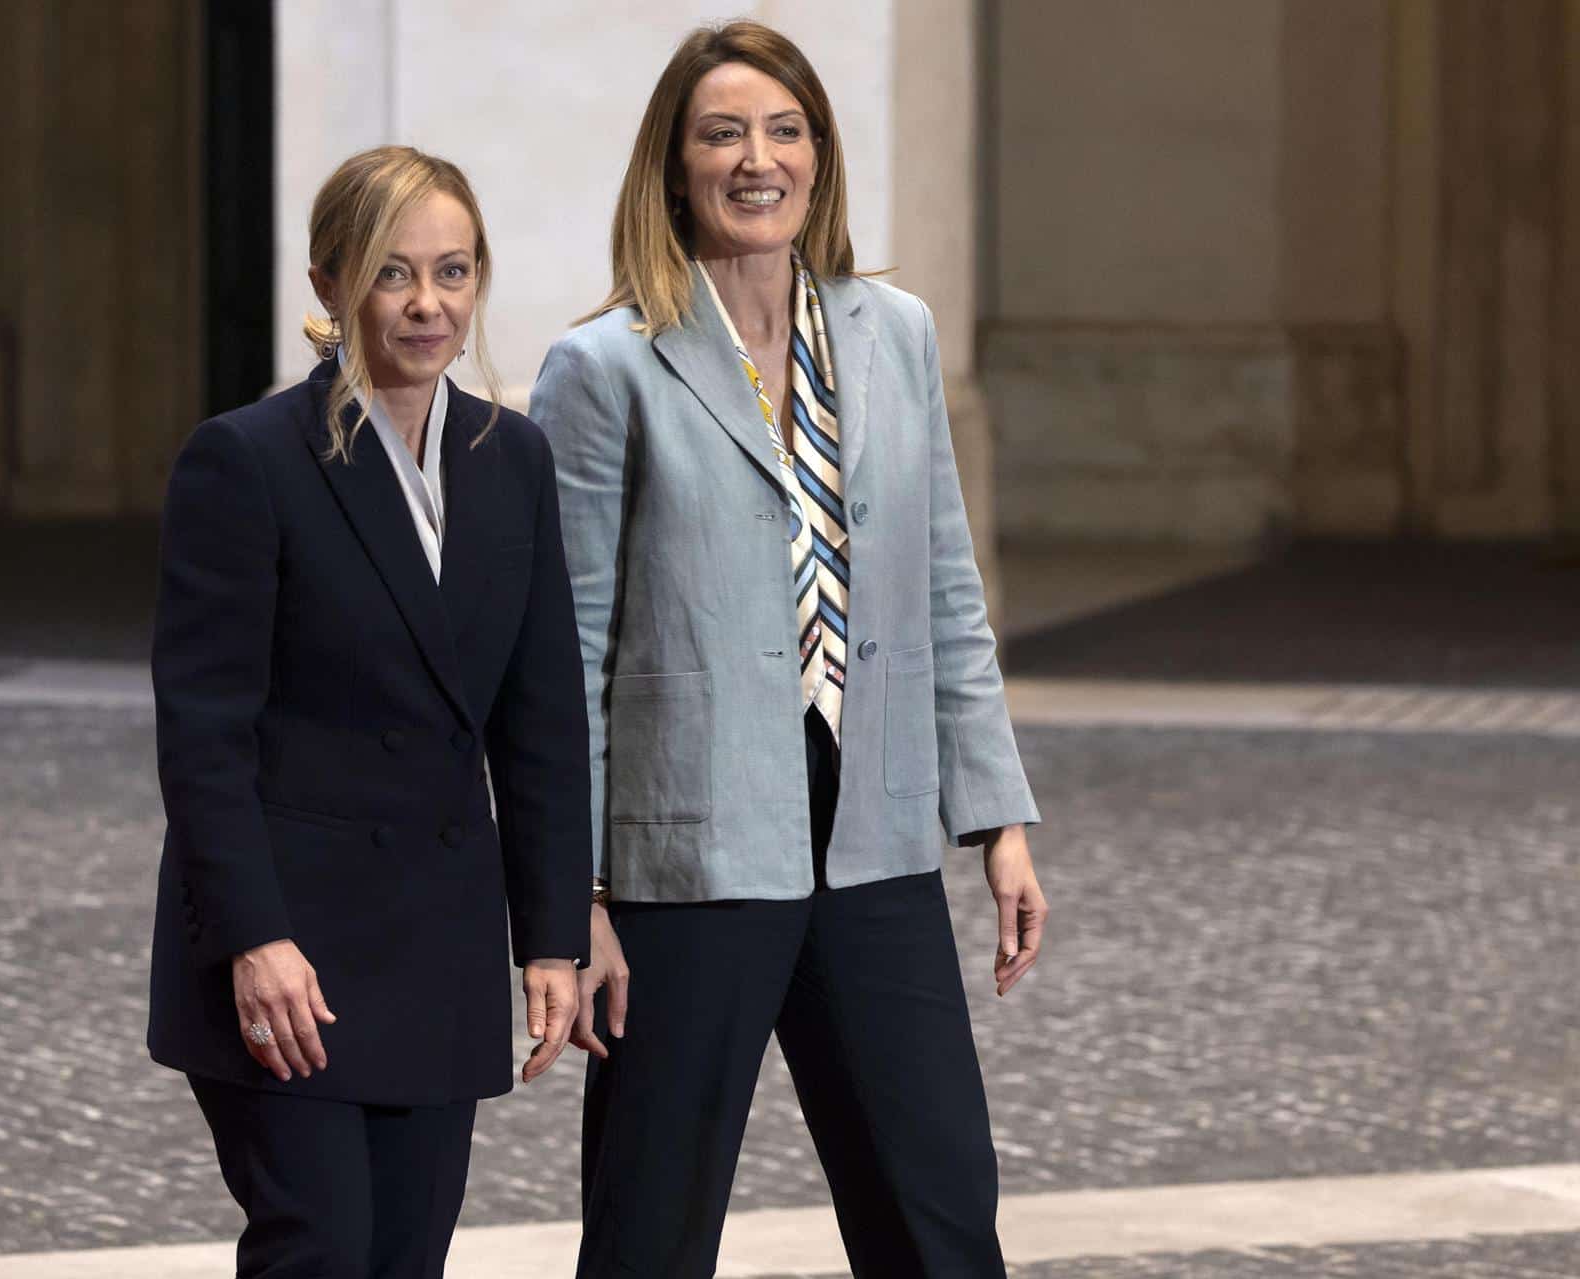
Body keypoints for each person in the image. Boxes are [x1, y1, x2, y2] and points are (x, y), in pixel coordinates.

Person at [530, 21, 1049, 1279]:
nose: (757, 160)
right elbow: (566, 659)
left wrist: (999, 820)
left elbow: (942, 586)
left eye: (784, 130)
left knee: (940, 1221)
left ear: (818, 154)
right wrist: (578, 897)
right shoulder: (606, 368)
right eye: (723, 133)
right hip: (686, 865)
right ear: (674, 165)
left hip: (873, 845)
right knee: (651, 1233)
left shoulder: (895, 332)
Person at [147, 145, 588, 1279]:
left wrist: (548, 932)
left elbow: (539, 723)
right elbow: (204, 736)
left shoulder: (512, 460)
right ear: (330, 283)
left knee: (404, 1260)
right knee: (320, 1248)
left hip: (436, 943)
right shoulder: (245, 462)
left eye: (452, 270)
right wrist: (254, 935)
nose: (428, 303)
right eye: (394, 274)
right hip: (288, 951)